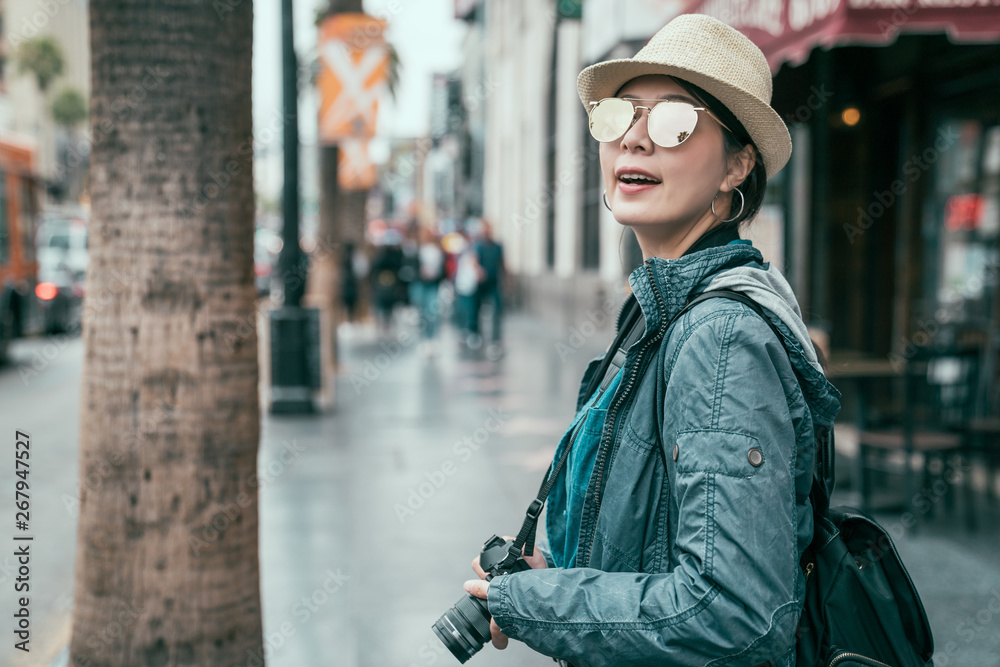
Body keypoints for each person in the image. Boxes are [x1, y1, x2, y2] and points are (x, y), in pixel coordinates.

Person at [461, 14, 841, 667]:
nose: (635, 138)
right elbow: (661, 533)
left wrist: (540, 603)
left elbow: (736, 613)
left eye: (674, 122)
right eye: (620, 116)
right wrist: (543, 569)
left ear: (737, 166)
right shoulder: (663, 309)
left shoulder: (719, 334)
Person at [474, 219, 506, 356]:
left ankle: (495, 341)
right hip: (480, 284)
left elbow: (502, 264)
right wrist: (479, 271)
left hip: (494, 283)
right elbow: (473, 261)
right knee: (477, 310)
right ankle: (477, 335)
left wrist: (507, 281)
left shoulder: (498, 246)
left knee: (496, 312)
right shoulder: (478, 246)